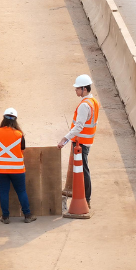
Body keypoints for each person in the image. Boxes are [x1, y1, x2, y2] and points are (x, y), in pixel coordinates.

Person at [57, 74, 98, 207]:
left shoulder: (84, 106)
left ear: (84, 89)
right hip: (86, 141)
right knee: (82, 170)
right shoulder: (93, 102)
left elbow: (79, 126)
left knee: (83, 171)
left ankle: (86, 198)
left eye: (77, 89)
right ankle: (85, 197)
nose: (76, 91)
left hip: (81, 142)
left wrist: (65, 138)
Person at [0, 108, 35, 224]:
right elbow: (22, 150)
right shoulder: (19, 134)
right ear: (16, 120)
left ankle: (5, 217)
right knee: (21, 191)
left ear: (3, 119)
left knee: (4, 191)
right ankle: (27, 215)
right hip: (17, 170)